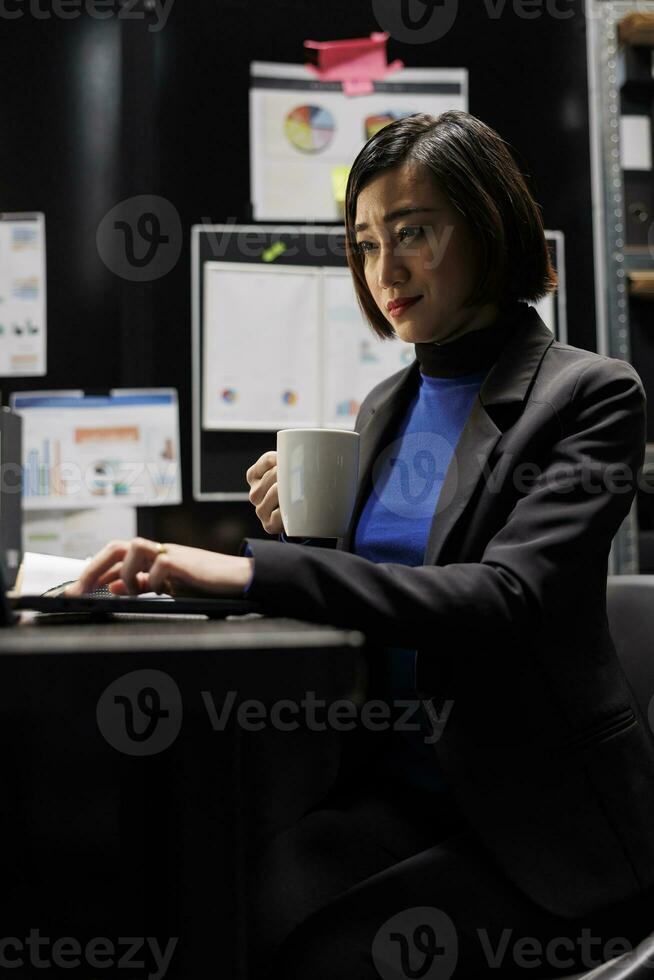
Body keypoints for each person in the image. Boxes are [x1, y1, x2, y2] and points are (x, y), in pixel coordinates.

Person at [67, 111, 654, 978]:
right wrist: (298, 534)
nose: (387, 269)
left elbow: (502, 599)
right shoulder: (386, 406)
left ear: (490, 226)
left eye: (413, 232)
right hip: (394, 787)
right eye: (368, 243)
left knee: (316, 954)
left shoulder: (591, 394)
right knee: (202, 900)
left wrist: (247, 569)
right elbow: (376, 581)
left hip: (534, 823)